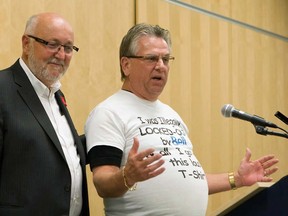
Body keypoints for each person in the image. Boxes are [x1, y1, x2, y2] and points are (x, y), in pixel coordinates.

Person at [85, 23, 278, 215]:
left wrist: (236, 178)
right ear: (126, 64)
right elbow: (102, 182)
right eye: (152, 58)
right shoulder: (108, 112)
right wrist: (127, 176)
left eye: (166, 59)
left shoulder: (171, 115)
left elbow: (187, 178)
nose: (161, 66)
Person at [0, 13, 89, 216]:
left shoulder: (55, 94)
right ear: (26, 43)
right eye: (52, 44)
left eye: (68, 48)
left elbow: (55, 151)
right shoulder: (2, 89)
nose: (61, 54)